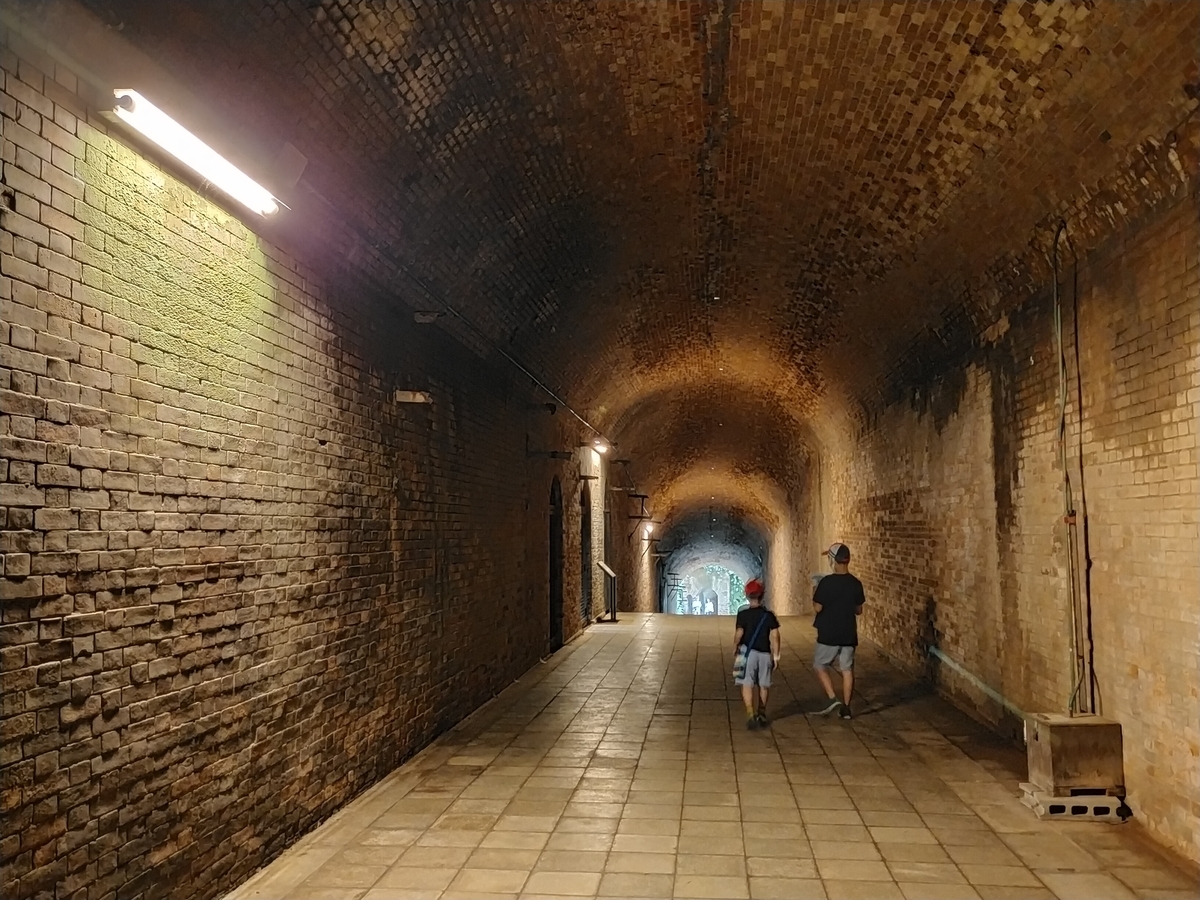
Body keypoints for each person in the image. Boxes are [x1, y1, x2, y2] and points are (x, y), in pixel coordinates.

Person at [812, 543, 864, 719]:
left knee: (820, 665)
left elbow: (818, 608)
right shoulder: (856, 583)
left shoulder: (826, 583)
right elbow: (858, 610)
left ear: (833, 560)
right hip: (849, 633)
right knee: (847, 669)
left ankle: (833, 698)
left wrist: (814, 591)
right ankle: (847, 707)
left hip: (829, 633)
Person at [733, 578, 781, 729]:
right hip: (765, 654)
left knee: (747, 683)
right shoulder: (769, 616)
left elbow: (739, 634)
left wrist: (735, 647)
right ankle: (761, 712)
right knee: (764, 685)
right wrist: (776, 655)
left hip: (748, 653)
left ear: (746, 595)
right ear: (763, 595)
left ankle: (750, 713)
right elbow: (775, 636)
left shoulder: (743, 615)